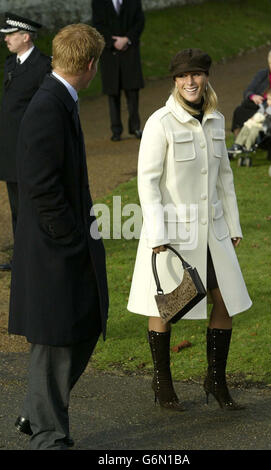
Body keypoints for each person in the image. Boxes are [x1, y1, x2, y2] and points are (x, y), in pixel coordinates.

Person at [127, 48, 252, 412]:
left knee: (225, 300)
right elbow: (147, 182)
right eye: (183, 76)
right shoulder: (160, 122)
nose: (190, 81)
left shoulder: (215, 120)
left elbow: (224, 178)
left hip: (213, 231)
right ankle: (162, 382)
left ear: (206, 76)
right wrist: (157, 233)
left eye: (196, 74)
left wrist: (233, 223)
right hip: (172, 235)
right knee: (166, 304)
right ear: (175, 81)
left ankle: (215, 379)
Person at [9, 23, 109, 450]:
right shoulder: (48, 105)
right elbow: (39, 185)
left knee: (83, 325)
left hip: (66, 241)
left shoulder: (58, 97)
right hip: (53, 247)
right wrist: (69, 238)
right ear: (90, 65)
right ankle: (48, 436)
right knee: (56, 341)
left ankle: (36, 412)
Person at [0, 13, 51, 271]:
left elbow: (45, 110)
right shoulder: (11, 63)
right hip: (10, 148)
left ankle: (40, 253)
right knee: (17, 203)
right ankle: (21, 256)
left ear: (26, 36)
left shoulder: (43, 66)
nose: (6, 38)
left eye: (10, 34)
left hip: (31, 147)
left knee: (36, 201)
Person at [91, 0, 145, 141]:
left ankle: (135, 127)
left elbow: (139, 22)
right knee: (112, 94)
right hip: (110, 53)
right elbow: (97, 25)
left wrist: (127, 39)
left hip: (130, 51)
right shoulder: (98, 3)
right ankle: (116, 130)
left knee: (133, 91)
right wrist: (112, 41)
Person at [231, 48, 271, 137]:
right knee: (240, 110)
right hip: (259, 104)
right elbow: (248, 90)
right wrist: (253, 96)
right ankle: (238, 141)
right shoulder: (262, 74)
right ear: (269, 64)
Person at [228, 86, 271, 154]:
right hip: (260, 124)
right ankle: (238, 144)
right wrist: (254, 117)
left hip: (269, 127)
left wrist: (270, 111)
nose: (268, 101)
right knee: (247, 126)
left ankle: (248, 146)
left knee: (254, 130)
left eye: (270, 99)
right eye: (267, 99)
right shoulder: (267, 105)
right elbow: (259, 112)